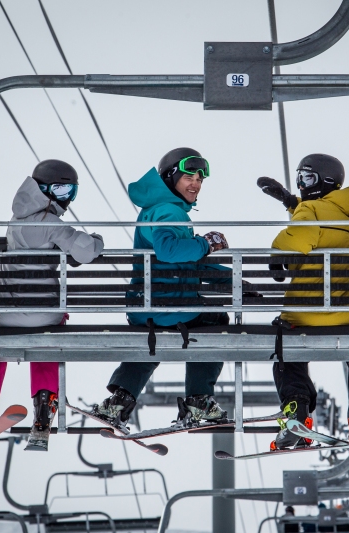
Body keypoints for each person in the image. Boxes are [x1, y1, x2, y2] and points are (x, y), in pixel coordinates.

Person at [257, 154, 349, 453]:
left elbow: (300, 235)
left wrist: (278, 256)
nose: (303, 185)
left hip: (307, 313)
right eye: (300, 179)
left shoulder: (310, 209)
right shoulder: (348, 213)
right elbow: (320, 221)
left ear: (324, 181)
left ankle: (297, 410)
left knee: (283, 344)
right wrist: (292, 203)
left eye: (308, 178)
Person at [0, 160, 104, 443]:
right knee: (49, 336)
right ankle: (45, 404)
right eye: (62, 189)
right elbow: (87, 251)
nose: (66, 197)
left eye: (70, 191)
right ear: (44, 190)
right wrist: (96, 240)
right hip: (44, 315)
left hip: (3, 315)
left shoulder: (14, 223)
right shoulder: (51, 223)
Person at [93, 148, 231, 428]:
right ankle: (198, 400)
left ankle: (120, 400)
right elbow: (169, 250)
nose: (195, 184)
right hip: (171, 306)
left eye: (199, 179)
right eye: (188, 177)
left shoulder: (156, 209)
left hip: (148, 308)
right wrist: (207, 243)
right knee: (216, 320)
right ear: (171, 179)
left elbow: (182, 264)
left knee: (152, 342)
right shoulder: (169, 211)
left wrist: (228, 277)